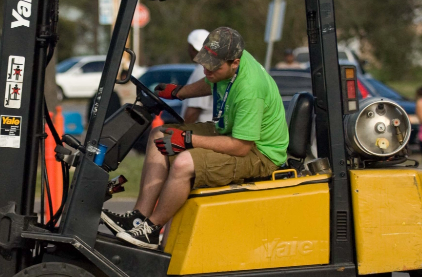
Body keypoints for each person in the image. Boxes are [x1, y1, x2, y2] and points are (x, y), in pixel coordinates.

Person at [100, 27, 289, 249]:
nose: (206, 71)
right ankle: (139, 216)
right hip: (229, 132)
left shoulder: (250, 89)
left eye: (212, 67)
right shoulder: (228, 61)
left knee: (183, 163)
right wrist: (179, 92)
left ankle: (151, 230)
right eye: (204, 64)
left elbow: (240, 147)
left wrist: (189, 139)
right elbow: (211, 80)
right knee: (159, 135)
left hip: (259, 153)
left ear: (234, 63)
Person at [181, 29, 212, 123]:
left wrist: (180, 132)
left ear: (191, 47)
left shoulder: (203, 70)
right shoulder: (209, 67)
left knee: (157, 134)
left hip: (201, 132)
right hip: (207, 131)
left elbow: (193, 111)